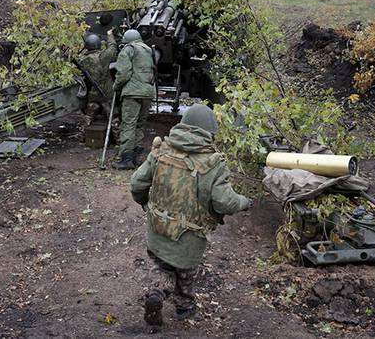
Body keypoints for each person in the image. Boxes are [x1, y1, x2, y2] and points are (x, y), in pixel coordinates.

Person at [129, 104, 253, 326]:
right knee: (185, 273)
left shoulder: (160, 150)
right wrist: (245, 202)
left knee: (161, 265)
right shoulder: (214, 163)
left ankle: (157, 290)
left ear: (183, 124)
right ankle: (184, 307)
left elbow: (137, 183)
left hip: (157, 228)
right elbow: (225, 202)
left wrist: (145, 205)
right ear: (209, 131)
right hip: (190, 237)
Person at [112, 29, 155, 170]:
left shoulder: (128, 49)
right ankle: (136, 155)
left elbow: (123, 73)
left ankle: (126, 159)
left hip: (132, 93)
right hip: (147, 92)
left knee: (128, 125)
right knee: (139, 124)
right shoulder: (148, 50)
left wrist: (116, 86)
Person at [78, 32, 117, 121]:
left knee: (89, 115)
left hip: (93, 93)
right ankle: (116, 130)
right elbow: (113, 47)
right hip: (107, 92)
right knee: (113, 117)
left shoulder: (82, 60)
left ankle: (87, 127)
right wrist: (110, 35)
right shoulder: (104, 56)